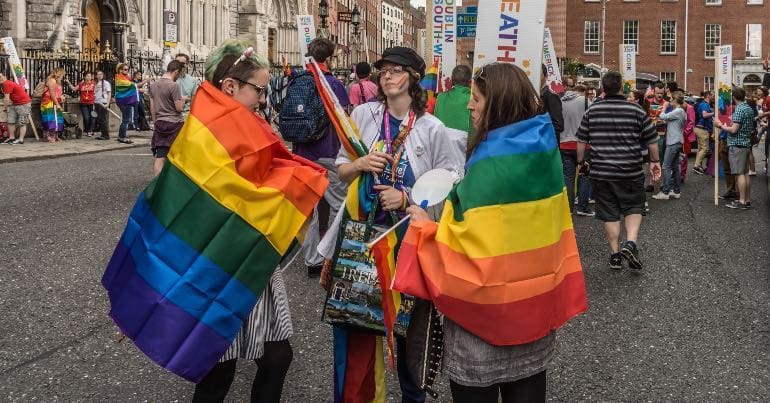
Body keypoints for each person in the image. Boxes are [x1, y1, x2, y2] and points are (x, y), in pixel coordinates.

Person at [403, 62, 587, 403]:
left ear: (498, 101)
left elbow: (466, 243)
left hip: (481, 325)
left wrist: (423, 228)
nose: (469, 105)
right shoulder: (542, 148)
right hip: (532, 307)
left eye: (476, 98)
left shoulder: (490, 159)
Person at [319, 46, 464, 403]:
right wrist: (361, 163)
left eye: (396, 70)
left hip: (409, 246)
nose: (386, 75)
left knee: (408, 337)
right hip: (361, 243)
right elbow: (340, 169)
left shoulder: (432, 128)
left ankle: (412, 397)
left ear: (414, 78)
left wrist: (408, 200)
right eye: (383, 70)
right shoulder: (364, 114)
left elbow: (450, 179)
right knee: (358, 334)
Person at [191, 39, 295, 403]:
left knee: (277, 357)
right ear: (231, 87)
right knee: (219, 367)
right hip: (221, 264)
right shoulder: (203, 135)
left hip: (256, 257)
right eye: (260, 90)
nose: (264, 99)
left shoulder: (250, 125)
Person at [577, 71, 661, 271]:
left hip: (601, 170)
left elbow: (581, 140)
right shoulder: (637, 110)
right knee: (634, 206)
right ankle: (631, 243)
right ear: (622, 88)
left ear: (603, 89)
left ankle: (615, 255)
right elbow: (652, 138)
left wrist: (581, 162)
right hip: (630, 169)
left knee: (609, 213)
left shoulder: (592, 111)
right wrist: (655, 161)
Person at [292, 38, 350, 277]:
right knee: (339, 203)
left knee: (310, 207)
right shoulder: (333, 83)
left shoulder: (296, 80)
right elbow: (344, 119)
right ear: (330, 57)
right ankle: (331, 255)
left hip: (302, 152)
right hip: (327, 151)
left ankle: (311, 259)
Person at [715, 87, 754, 210]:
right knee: (745, 173)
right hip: (746, 143)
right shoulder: (748, 108)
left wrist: (720, 125)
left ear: (733, 97)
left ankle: (741, 201)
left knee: (739, 174)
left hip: (737, 144)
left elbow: (733, 129)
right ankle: (746, 200)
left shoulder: (739, 110)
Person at [560, 83, 594, 216]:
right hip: (583, 145)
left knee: (568, 177)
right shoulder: (585, 101)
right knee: (584, 175)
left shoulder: (561, 102)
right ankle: (582, 207)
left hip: (564, 144)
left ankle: (568, 210)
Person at [148, 60, 185, 176]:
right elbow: (179, 108)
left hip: (160, 122)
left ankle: (156, 184)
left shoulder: (154, 85)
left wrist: (155, 122)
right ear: (176, 71)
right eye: (180, 74)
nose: (179, 77)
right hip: (175, 123)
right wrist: (183, 100)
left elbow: (152, 107)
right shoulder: (174, 86)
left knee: (161, 156)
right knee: (178, 156)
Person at [652, 91, 687, 200]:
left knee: (666, 166)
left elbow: (663, 116)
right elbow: (669, 121)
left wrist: (664, 106)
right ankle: (676, 191)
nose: (669, 101)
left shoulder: (678, 111)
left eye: (671, 99)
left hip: (673, 142)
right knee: (675, 167)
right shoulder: (680, 111)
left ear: (676, 100)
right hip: (677, 141)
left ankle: (665, 192)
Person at [433, 64, 472, 153]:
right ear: (470, 82)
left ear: (451, 79)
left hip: (439, 145)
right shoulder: (472, 100)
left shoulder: (441, 97)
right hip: (463, 149)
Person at [0, 72, 32, 145]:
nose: (0, 78)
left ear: (5, 76)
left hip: (23, 103)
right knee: (10, 121)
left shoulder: (6, 84)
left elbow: (6, 99)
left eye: (0, 76)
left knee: (22, 122)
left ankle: (21, 139)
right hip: (14, 103)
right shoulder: (3, 84)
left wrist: (5, 108)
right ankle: (11, 138)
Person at [64, 72, 96, 137]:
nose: (89, 77)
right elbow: (74, 89)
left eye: (90, 76)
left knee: (93, 117)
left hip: (92, 103)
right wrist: (68, 82)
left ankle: (90, 131)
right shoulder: (81, 84)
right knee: (86, 117)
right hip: (83, 103)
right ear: (84, 77)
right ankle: (87, 130)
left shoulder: (94, 84)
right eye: (87, 76)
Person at [40, 67, 66, 143]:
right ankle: (49, 136)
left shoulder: (57, 81)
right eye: (62, 74)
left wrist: (61, 97)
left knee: (57, 119)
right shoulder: (52, 80)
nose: (63, 76)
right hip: (49, 102)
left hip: (54, 102)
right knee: (50, 119)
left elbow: (57, 92)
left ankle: (55, 136)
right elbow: (52, 93)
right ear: (59, 73)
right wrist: (57, 103)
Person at [114, 63, 137, 144]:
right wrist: (146, 81)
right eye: (125, 69)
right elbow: (132, 85)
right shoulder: (120, 78)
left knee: (125, 120)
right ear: (120, 70)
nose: (127, 71)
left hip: (125, 100)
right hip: (125, 101)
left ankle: (121, 136)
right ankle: (122, 137)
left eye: (127, 69)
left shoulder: (125, 77)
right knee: (126, 120)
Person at [540, 64, 564, 140]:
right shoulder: (535, 95)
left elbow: (558, 125)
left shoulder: (550, 96)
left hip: (546, 146)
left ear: (545, 76)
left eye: (538, 73)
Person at [693, 91, 715, 174]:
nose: (714, 97)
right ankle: (696, 166)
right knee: (705, 149)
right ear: (708, 96)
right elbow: (704, 115)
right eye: (712, 95)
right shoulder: (705, 104)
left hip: (699, 128)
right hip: (702, 129)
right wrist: (714, 113)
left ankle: (698, 166)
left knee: (700, 148)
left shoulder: (703, 104)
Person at [175, 53, 201, 118]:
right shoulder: (169, 79)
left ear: (187, 64)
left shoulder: (192, 81)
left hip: (186, 116)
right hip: (172, 115)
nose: (180, 65)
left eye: (182, 63)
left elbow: (194, 100)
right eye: (177, 63)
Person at [93, 70, 112, 140]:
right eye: (99, 74)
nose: (100, 75)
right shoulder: (95, 83)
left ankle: (105, 135)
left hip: (103, 102)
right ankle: (103, 134)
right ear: (96, 76)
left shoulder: (106, 83)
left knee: (102, 119)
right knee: (100, 119)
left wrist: (107, 103)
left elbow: (109, 93)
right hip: (97, 102)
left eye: (101, 74)